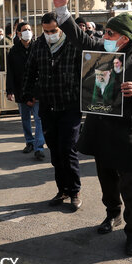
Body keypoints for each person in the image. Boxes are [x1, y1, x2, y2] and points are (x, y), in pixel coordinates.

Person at [51, 0, 132, 256]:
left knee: (131, 183)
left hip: (128, 131)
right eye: (106, 33)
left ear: (124, 38)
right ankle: (113, 213)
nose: (106, 37)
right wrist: (61, 10)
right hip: (101, 128)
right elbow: (79, 38)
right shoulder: (101, 50)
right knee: (106, 178)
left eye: (111, 34)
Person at [22, 12, 84, 211]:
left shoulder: (74, 44)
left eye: (54, 31)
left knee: (68, 149)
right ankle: (62, 189)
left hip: (70, 106)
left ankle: (74, 191)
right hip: (48, 107)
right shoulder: (38, 45)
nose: (50, 34)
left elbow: (87, 70)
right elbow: (30, 70)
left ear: (61, 28)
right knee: (56, 151)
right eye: (46, 31)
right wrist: (27, 93)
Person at [6, 22, 45, 160]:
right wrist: (9, 90)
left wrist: (37, 91)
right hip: (21, 90)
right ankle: (29, 142)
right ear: (18, 34)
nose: (27, 32)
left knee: (39, 119)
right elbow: (10, 72)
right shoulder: (14, 51)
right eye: (24, 30)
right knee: (25, 119)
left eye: (29, 29)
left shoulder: (39, 48)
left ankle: (39, 147)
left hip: (37, 90)